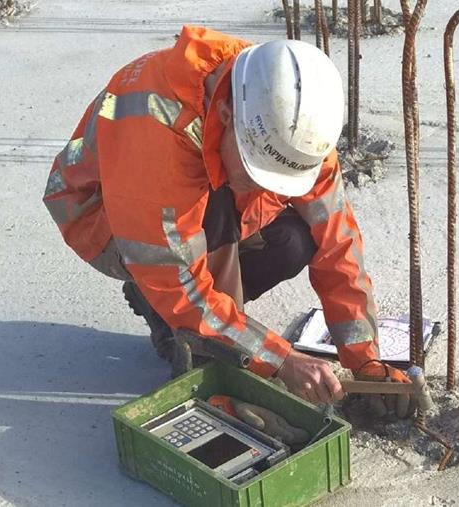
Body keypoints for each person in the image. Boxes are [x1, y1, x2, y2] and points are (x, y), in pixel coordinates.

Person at [43, 26, 413, 418]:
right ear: (225, 116)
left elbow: (337, 242)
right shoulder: (156, 141)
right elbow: (182, 282)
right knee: (212, 217)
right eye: (257, 172)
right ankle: (200, 348)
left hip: (198, 197)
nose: (263, 188)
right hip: (106, 217)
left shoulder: (287, 115)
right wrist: (279, 360)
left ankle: (200, 318)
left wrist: (365, 361)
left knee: (293, 240)